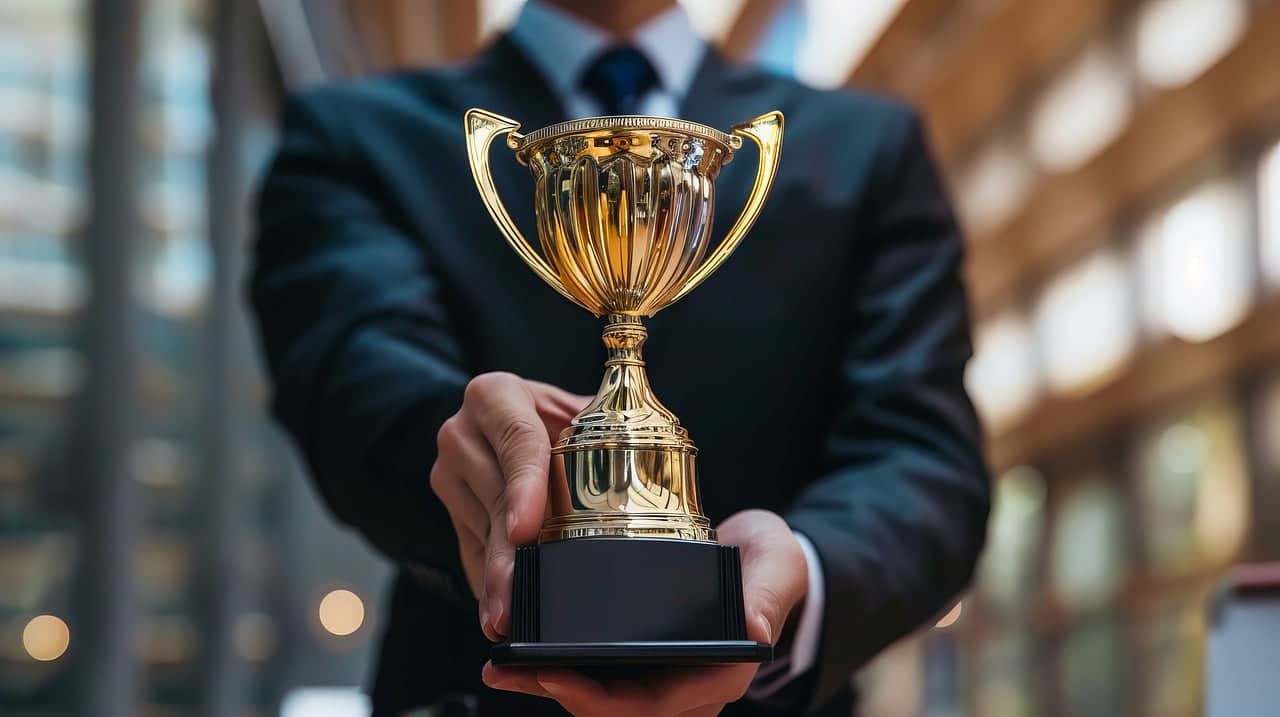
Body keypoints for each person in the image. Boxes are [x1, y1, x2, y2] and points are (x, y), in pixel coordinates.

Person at [249, 0, 991, 714]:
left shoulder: (870, 149)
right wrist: (472, 454)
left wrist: (801, 574)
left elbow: (923, 454)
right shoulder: (353, 137)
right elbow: (351, 371)